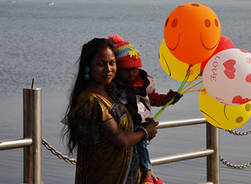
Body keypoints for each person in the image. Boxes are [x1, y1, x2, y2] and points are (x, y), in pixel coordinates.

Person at [63, 37, 159, 184]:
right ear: (88, 67)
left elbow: (128, 130)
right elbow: (121, 140)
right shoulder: (91, 102)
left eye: (112, 63)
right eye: (101, 64)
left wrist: (142, 129)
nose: (108, 69)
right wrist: (145, 133)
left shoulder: (112, 93)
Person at [108, 34, 183, 184]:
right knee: (137, 147)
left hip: (141, 122)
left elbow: (152, 99)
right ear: (117, 69)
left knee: (141, 146)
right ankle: (146, 172)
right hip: (125, 124)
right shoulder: (113, 85)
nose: (131, 73)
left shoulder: (143, 82)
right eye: (127, 70)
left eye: (135, 69)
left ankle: (147, 172)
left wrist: (169, 99)